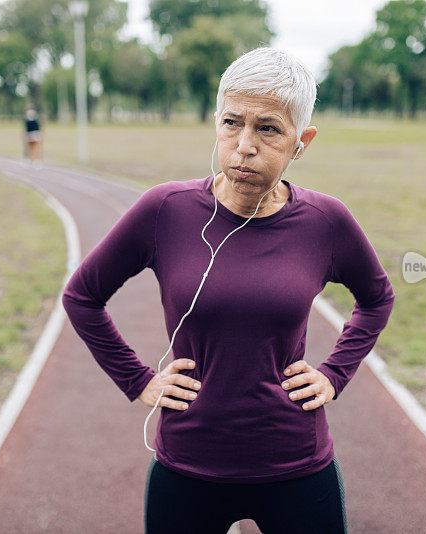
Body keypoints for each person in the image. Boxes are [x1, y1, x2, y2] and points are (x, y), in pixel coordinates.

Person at [62, 47, 395, 533]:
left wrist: (334, 374)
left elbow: (377, 298)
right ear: (216, 123)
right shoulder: (166, 210)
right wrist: (138, 381)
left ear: (302, 142)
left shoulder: (326, 222)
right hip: (189, 467)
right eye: (232, 123)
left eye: (268, 128)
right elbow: (82, 297)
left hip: (295, 465)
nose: (244, 145)